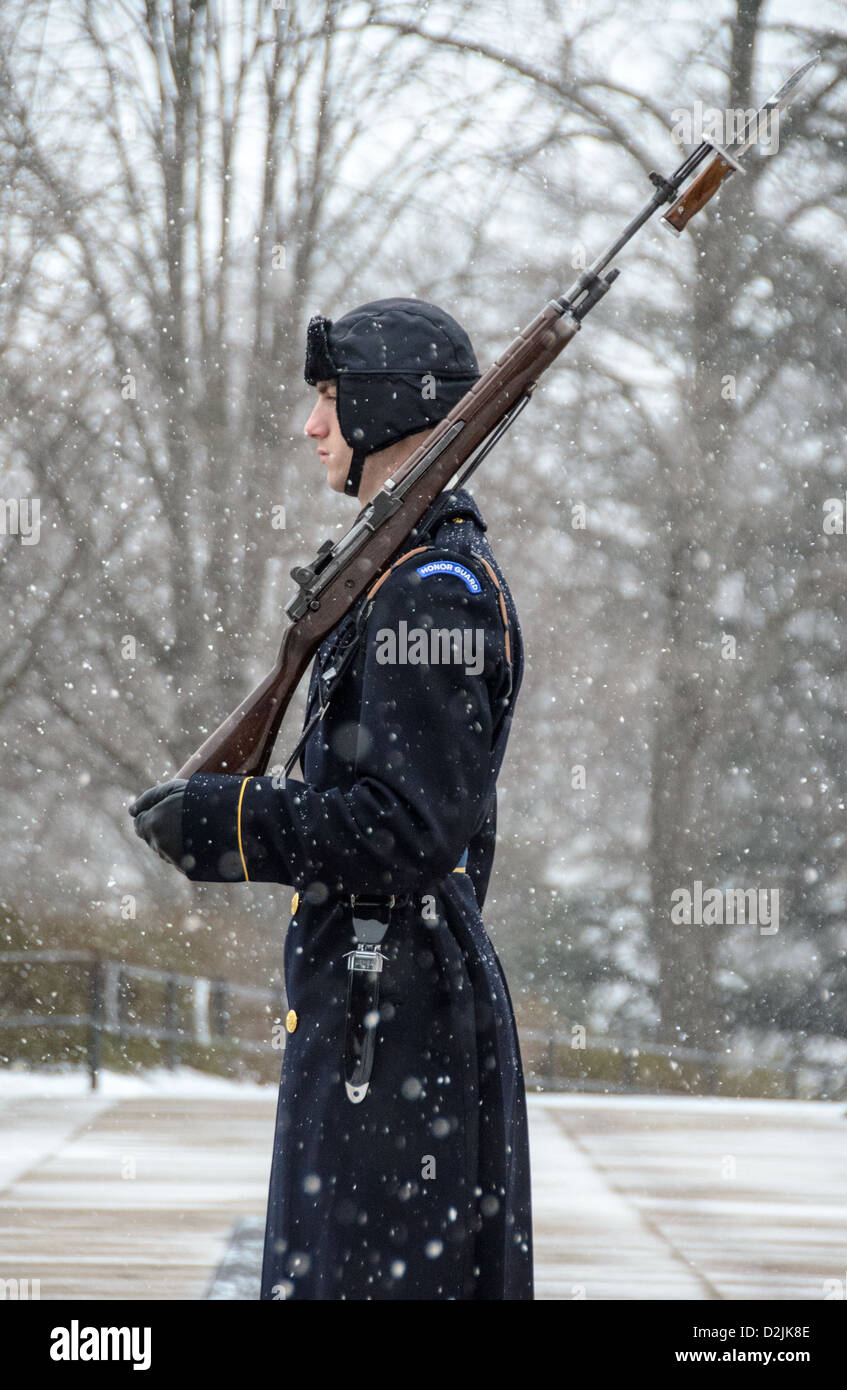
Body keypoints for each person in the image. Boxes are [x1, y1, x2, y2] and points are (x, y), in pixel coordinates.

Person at [130, 297, 533, 1300]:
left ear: (385, 406)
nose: (312, 425)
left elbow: (408, 828)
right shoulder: (403, 574)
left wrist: (228, 825)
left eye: (328, 396)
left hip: (394, 1016)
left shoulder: (429, 588)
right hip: (380, 997)